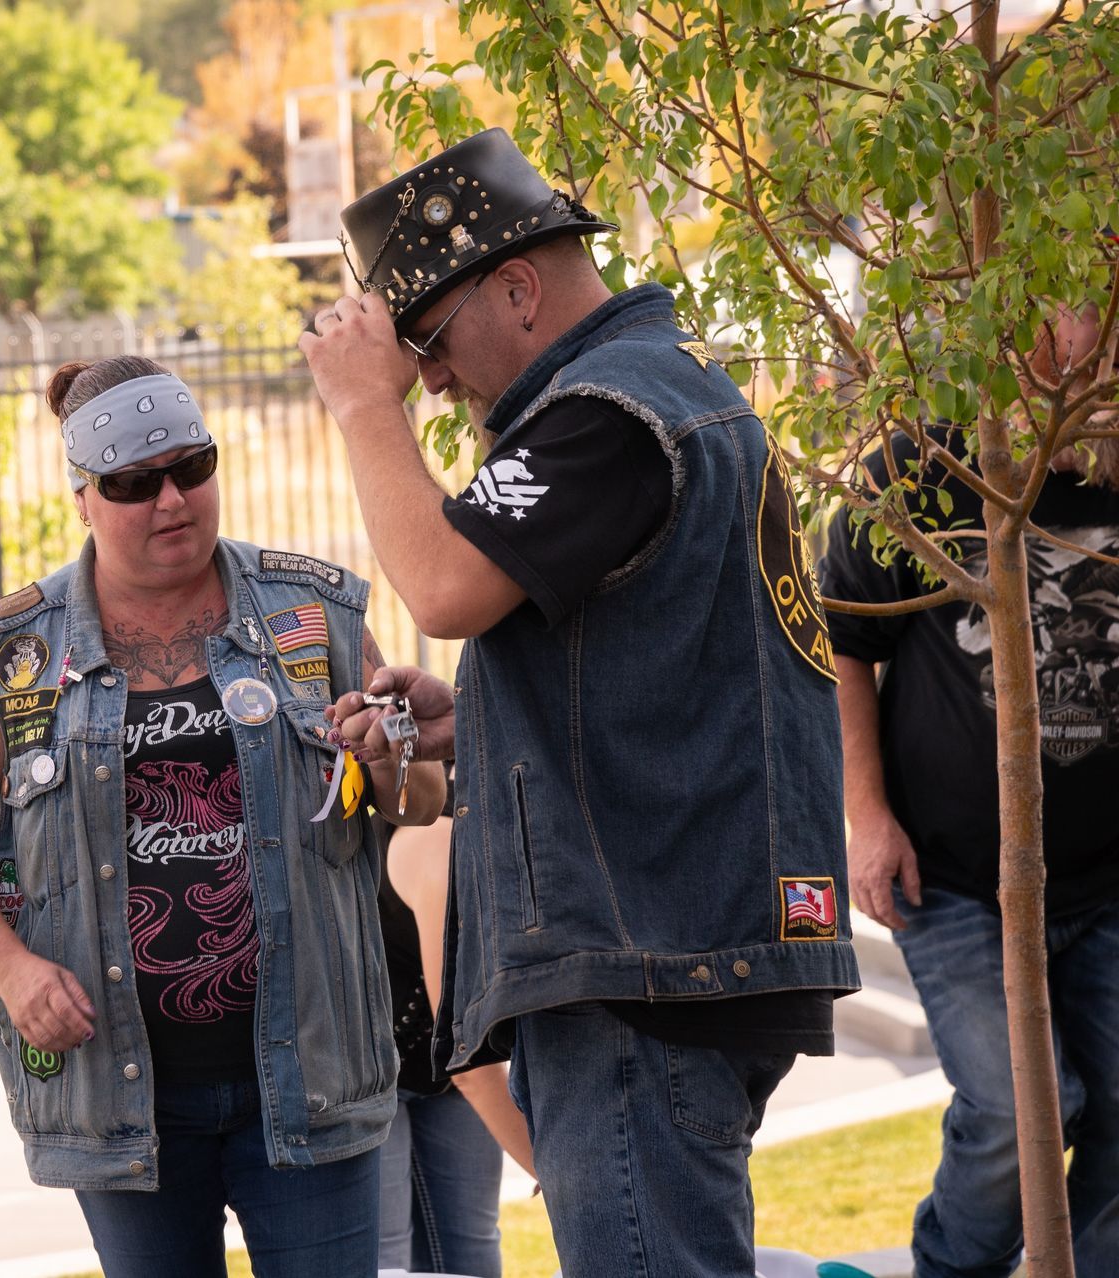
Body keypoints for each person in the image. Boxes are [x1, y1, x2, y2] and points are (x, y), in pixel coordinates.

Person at [301, 129, 860, 1276]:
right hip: (682, 943)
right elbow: (661, 667)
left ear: (515, 286)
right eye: (409, 359)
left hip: (641, 966)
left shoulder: (606, 412)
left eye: (430, 342)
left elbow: (446, 586)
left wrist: (367, 409)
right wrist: (481, 720)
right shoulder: (662, 388)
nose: (436, 379)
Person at [0, 355, 445, 1277]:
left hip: (311, 1081)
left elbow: (417, 801)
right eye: (132, 483)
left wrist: (389, 756)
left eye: (193, 468)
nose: (171, 501)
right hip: (124, 1101)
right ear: (82, 496)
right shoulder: (12, 655)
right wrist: (13, 971)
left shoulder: (309, 612)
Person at [823, 303, 1119, 1277]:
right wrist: (865, 815)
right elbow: (843, 641)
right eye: (1085, 311)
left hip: (1103, 883)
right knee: (1008, 1111)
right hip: (952, 881)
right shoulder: (925, 469)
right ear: (1027, 327)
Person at [376, 808, 532, 1278]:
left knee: (472, 1253)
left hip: (447, 1071)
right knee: (385, 1261)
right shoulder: (441, 846)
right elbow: (466, 1060)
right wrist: (549, 1164)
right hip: (370, 1075)